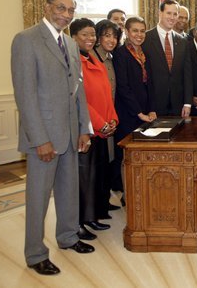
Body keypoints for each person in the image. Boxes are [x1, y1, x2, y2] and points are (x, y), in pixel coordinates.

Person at [11, 0, 94, 276]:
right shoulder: (26, 40)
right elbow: (25, 95)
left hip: (70, 133)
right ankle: (35, 254)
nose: (67, 14)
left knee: (68, 190)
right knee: (38, 196)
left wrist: (84, 128)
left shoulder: (70, 44)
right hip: (44, 137)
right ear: (47, 7)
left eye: (71, 10)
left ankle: (68, 236)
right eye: (61, 8)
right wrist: (39, 139)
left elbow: (78, 90)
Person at [70, 18, 118, 239]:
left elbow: (106, 94)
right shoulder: (73, 61)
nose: (89, 39)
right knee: (81, 180)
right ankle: (77, 223)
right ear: (73, 37)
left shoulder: (95, 59)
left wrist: (113, 120)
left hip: (102, 129)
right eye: (84, 35)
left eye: (92, 35)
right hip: (86, 130)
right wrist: (100, 123)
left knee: (94, 178)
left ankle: (90, 218)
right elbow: (80, 100)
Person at [113, 17, 156, 201]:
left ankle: (140, 193)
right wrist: (139, 112)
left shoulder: (146, 53)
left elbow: (151, 84)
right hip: (129, 113)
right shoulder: (121, 54)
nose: (139, 35)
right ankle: (127, 195)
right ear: (127, 32)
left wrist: (152, 110)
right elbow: (123, 87)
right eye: (135, 31)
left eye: (142, 31)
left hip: (146, 113)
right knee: (127, 157)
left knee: (142, 157)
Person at [142, 0, 192, 117]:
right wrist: (150, 107)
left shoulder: (183, 41)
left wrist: (187, 103)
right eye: (168, 13)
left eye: (175, 14)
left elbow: (187, 74)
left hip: (178, 106)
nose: (172, 17)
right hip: (153, 106)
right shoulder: (145, 39)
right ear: (160, 13)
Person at [93, 20, 123, 204]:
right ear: (98, 37)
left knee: (107, 163)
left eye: (114, 36)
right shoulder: (92, 58)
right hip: (96, 123)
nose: (111, 40)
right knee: (95, 167)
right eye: (107, 35)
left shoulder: (110, 58)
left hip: (109, 119)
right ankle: (94, 209)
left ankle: (102, 204)